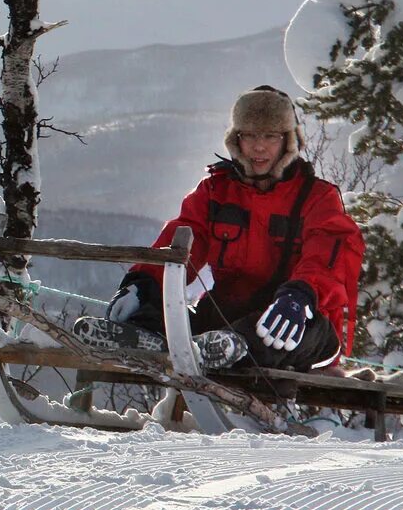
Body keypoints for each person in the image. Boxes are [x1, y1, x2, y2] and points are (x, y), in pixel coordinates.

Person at [75, 85, 363, 373]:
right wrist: (141, 284)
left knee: (274, 332)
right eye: (248, 135)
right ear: (236, 140)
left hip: (297, 320)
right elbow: (182, 239)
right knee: (172, 315)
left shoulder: (317, 197)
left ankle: (227, 347)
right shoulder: (216, 191)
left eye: (269, 136)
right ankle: (147, 337)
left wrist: (302, 294)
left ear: (288, 141)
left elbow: (328, 253)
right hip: (224, 318)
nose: (258, 146)